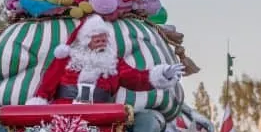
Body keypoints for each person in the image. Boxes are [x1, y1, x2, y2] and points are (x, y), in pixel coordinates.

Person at [27, 14, 183, 105]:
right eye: (97, 40)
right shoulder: (67, 59)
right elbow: (48, 83)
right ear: (86, 41)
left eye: (104, 40)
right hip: (64, 112)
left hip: (100, 114)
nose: (102, 43)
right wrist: (39, 102)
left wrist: (162, 74)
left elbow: (137, 78)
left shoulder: (113, 63)